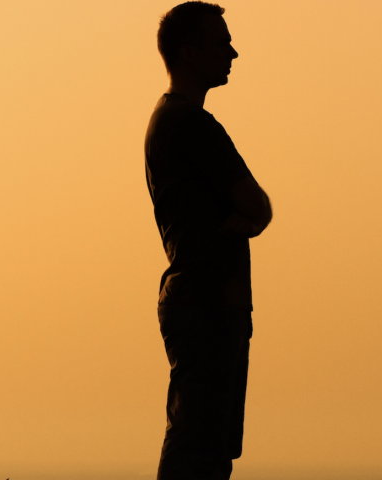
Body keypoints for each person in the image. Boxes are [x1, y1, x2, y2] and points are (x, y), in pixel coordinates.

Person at [143, 3, 272, 479]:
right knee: (199, 443)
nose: (234, 52)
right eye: (222, 43)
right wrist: (253, 214)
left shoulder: (173, 121)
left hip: (209, 302)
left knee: (208, 443)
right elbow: (257, 205)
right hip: (206, 304)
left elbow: (255, 209)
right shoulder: (191, 125)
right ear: (190, 53)